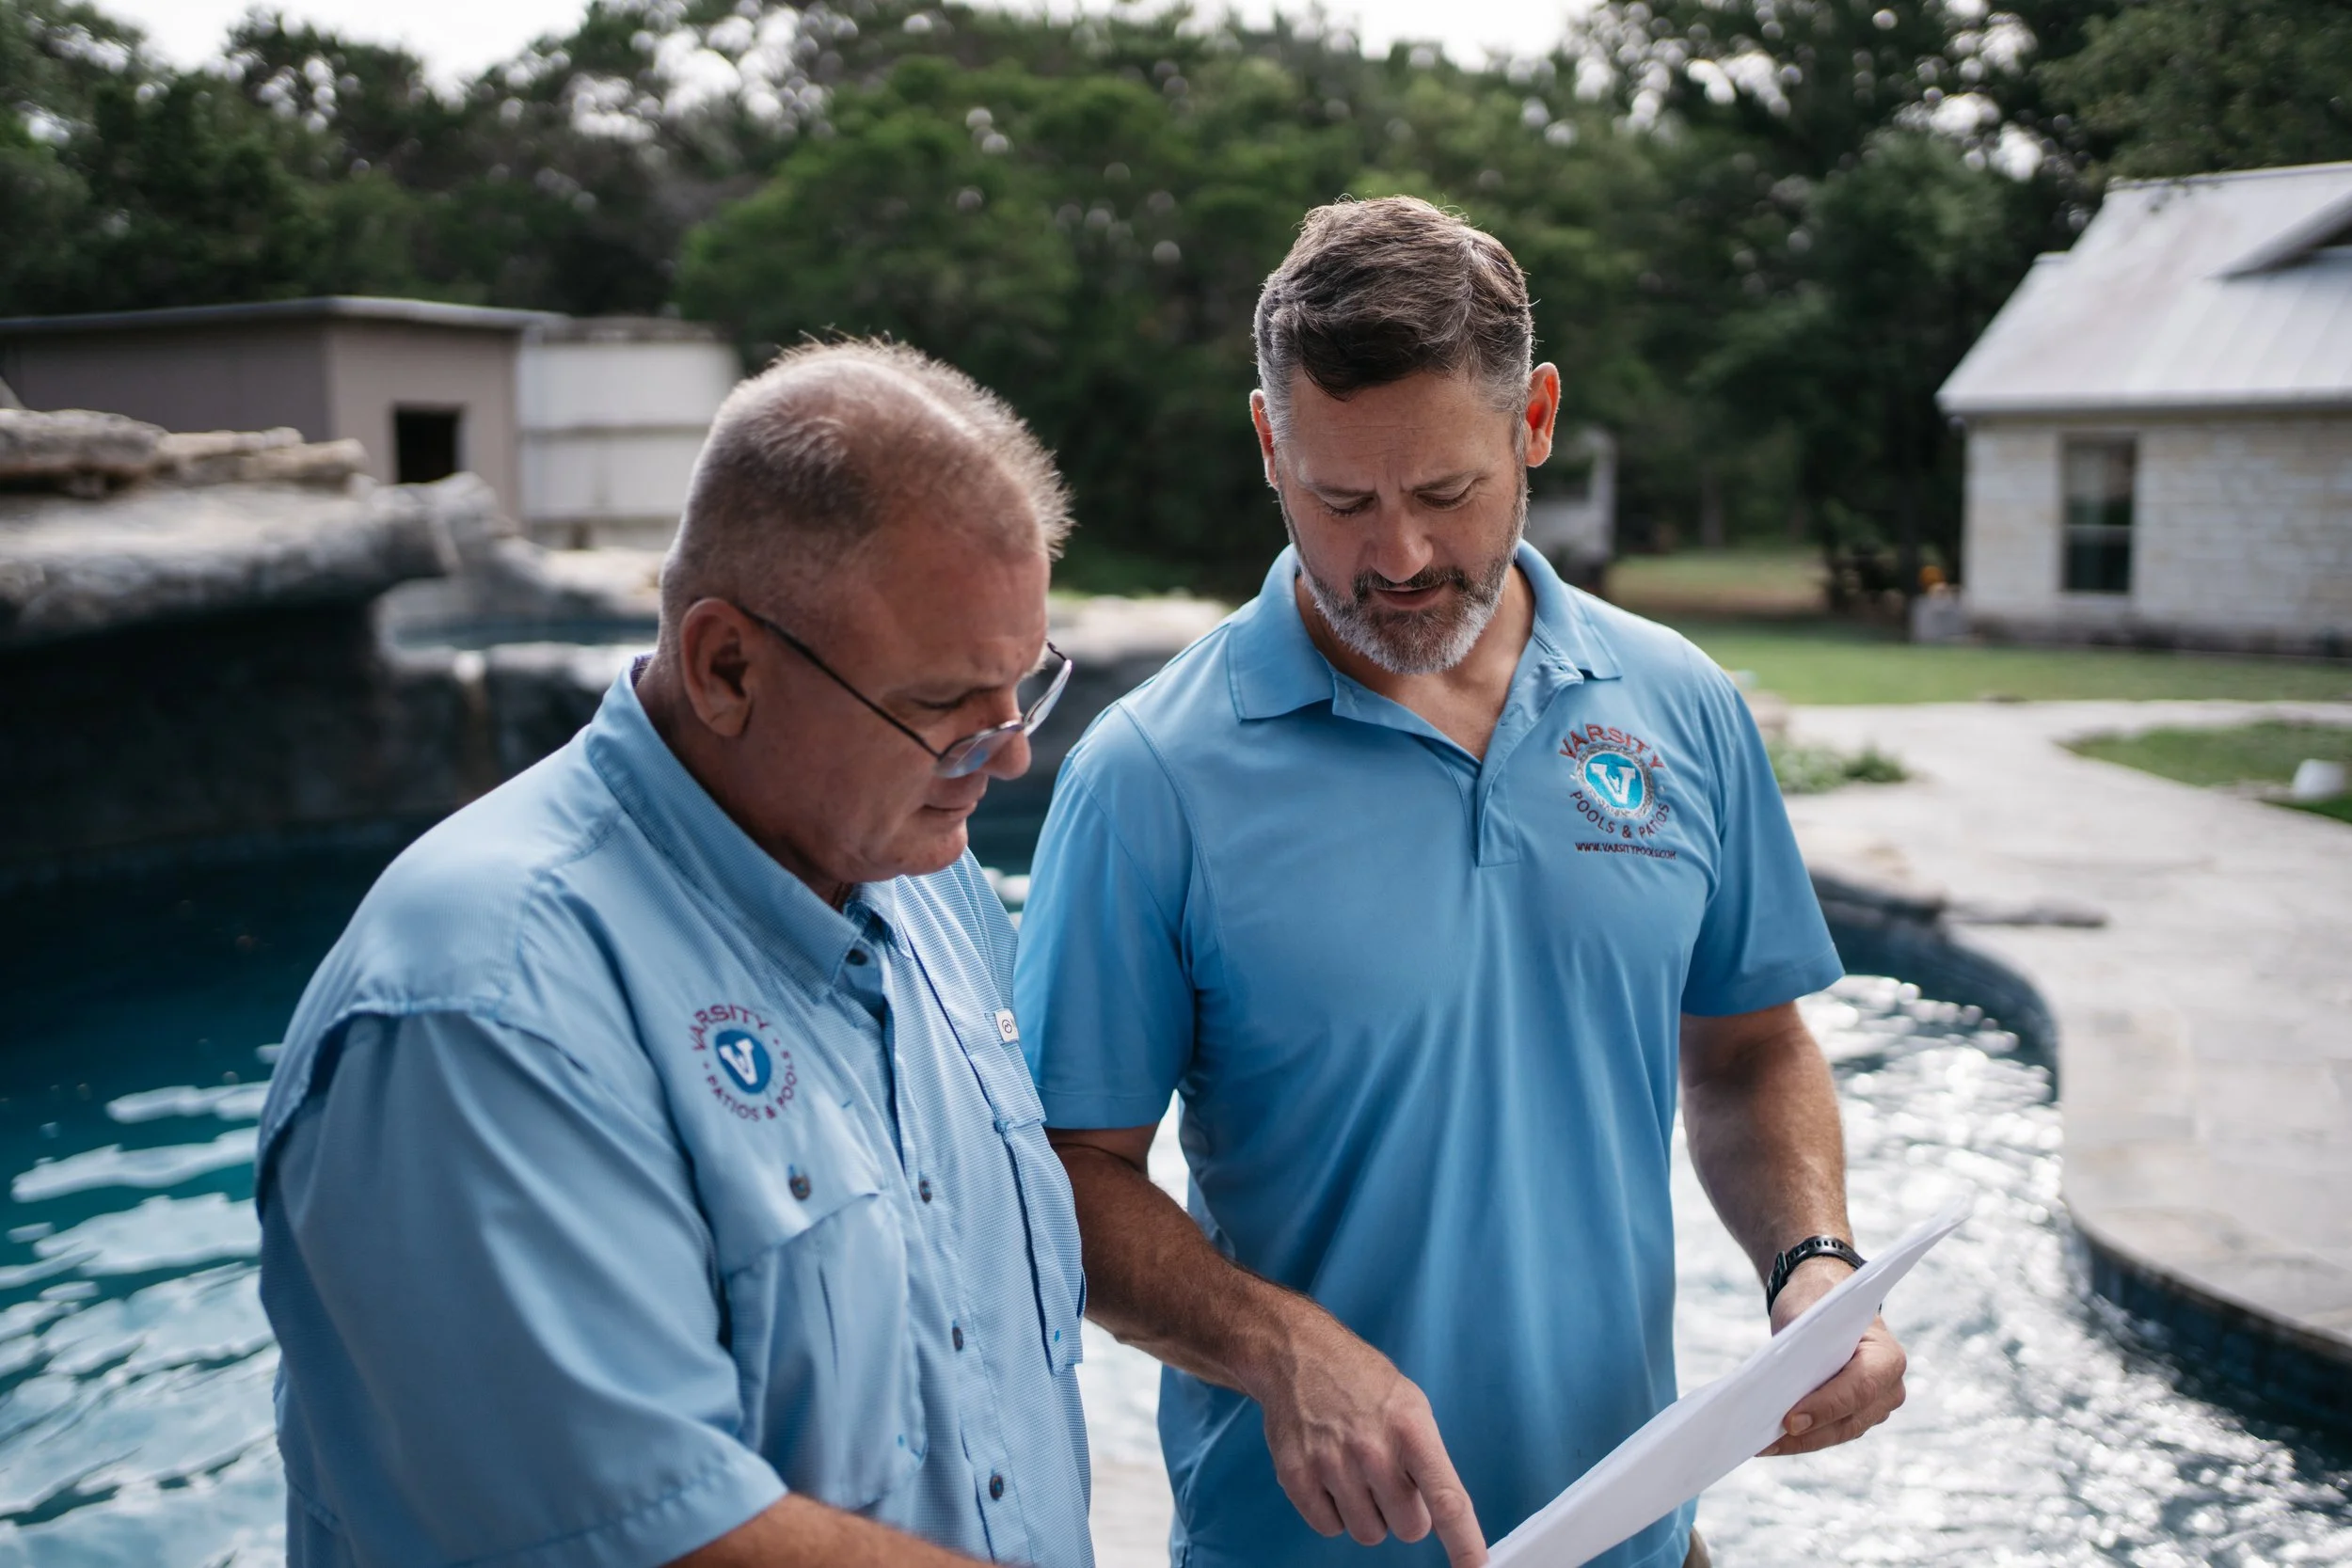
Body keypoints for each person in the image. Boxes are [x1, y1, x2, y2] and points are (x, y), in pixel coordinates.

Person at [1013, 198, 1908, 1568]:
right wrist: (1279, 1347)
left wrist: (1813, 1263)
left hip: (1644, 1540)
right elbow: (1065, 1178)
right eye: (1340, 498)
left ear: (1533, 420)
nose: (1401, 558)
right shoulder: (1149, 778)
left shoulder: (1678, 703)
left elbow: (1746, 1046)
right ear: (1269, 444)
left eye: (1445, 493)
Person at [257, 342, 1095, 1568]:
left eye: (1025, 685)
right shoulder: (482, 1009)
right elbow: (656, 1538)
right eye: (944, 703)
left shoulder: (920, 873)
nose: (1009, 753)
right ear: (727, 667)